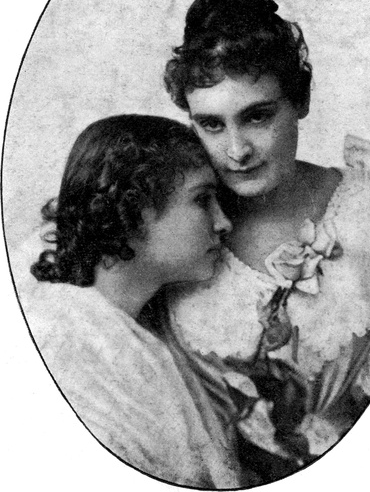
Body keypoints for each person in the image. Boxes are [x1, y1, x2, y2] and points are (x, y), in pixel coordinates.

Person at [163, 0, 370, 481]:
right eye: (211, 124)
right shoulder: (175, 228)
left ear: (300, 100)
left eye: (258, 116)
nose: (236, 150)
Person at [25, 114, 243, 488]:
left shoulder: (154, 330)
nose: (223, 223)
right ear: (134, 208)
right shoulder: (62, 341)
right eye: (202, 200)